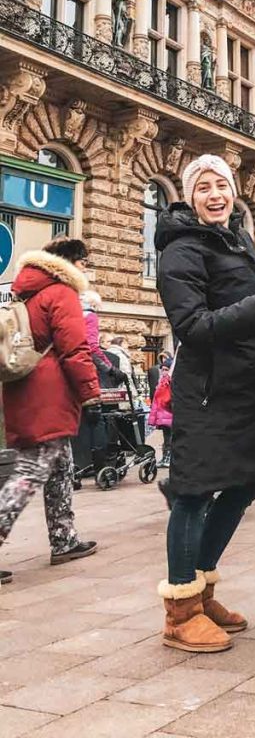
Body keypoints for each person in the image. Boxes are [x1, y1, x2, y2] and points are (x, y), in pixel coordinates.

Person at [154, 153, 255, 653]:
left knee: (243, 484)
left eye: (221, 185)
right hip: (208, 388)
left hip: (245, 383)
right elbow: (192, 326)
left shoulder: (235, 237)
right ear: (189, 197)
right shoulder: (182, 247)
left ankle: (201, 589)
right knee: (194, 491)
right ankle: (179, 611)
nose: (215, 195)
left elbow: (234, 310)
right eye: (203, 187)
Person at [0, 236, 100, 584]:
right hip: (49, 392)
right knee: (30, 471)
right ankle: (61, 537)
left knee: (60, 466)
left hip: (25, 387)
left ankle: (64, 538)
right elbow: (75, 349)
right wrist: (90, 391)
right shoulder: (61, 293)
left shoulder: (26, 292)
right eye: (84, 262)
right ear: (69, 263)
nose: (86, 269)